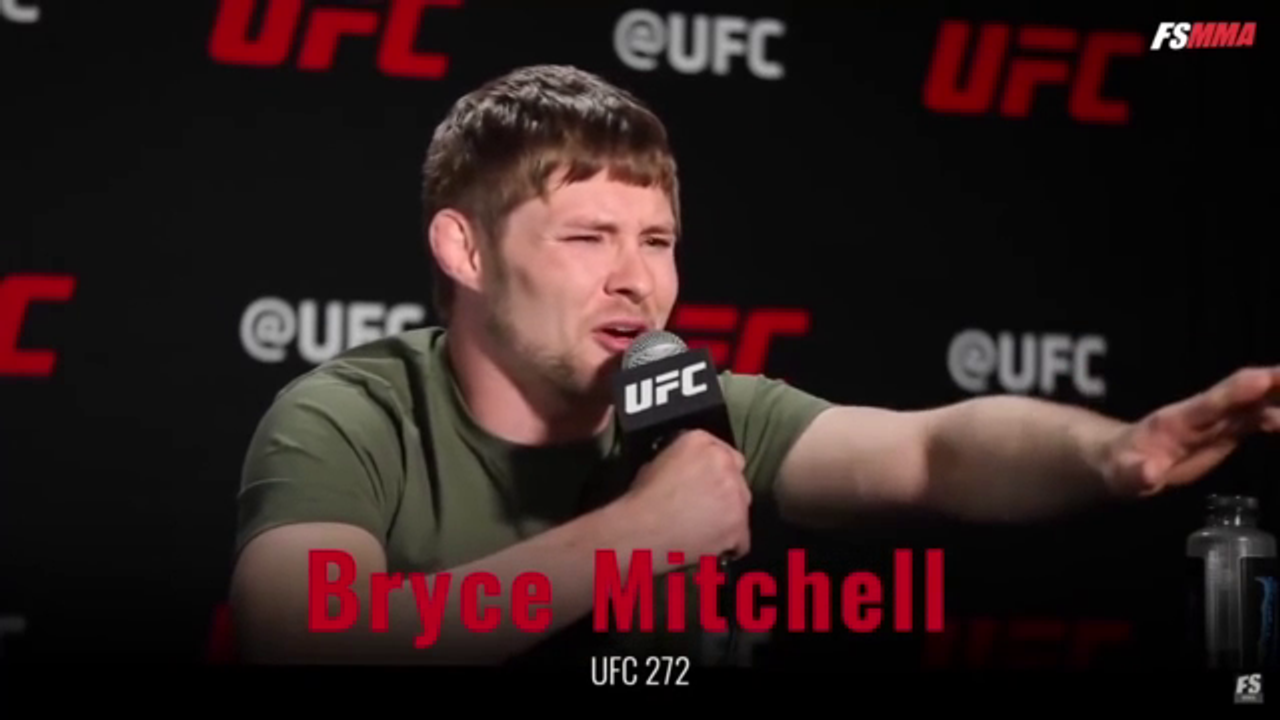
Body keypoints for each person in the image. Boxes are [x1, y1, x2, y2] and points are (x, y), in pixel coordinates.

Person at [229, 64, 1280, 666]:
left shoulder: (689, 407)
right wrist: (639, 535)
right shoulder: (352, 416)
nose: (637, 281)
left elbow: (932, 452)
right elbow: (296, 638)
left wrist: (1117, 452)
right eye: (588, 238)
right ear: (465, 250)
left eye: (657, 241)